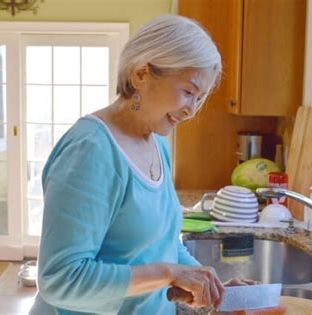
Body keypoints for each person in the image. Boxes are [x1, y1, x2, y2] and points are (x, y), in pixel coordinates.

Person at [29, 14, 225, 315]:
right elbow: (60, 281)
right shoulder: (91, 150)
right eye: (187, 91)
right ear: (141, 75)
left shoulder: (158, 143)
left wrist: (209, 284)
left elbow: (162, 246)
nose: (191, 111)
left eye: (198, 99)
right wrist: (169, 274)